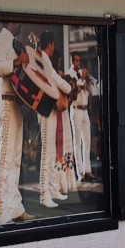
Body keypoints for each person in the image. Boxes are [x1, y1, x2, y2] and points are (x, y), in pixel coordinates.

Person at [0, 21, 31, 224]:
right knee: (6, 158)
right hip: (6, 102)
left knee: (15, 158)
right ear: (12, 22)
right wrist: (17, 61)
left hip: (17, 103)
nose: (21, 23)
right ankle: (1, 212)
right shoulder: (0, 39)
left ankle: (15, 207)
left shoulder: (14, 43)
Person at [30, 31, 75, 208]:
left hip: (50, 107)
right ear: (49, 45)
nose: (54, 48)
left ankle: (53, 189)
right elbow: (54, 78)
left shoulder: (43, 59)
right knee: (47, 153)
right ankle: (44, 194)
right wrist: (69, 88)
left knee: (52, 152)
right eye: (53, 44)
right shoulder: (43, 59)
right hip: (46, 108)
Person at [68, 52, 93, 188]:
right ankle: (80, 173)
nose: (78, 63)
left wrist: (87, 80)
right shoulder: (69, 75)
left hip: (85, 110)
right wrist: (81, 78)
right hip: (76, 110)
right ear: (72, 61)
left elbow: (89, 91)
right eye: (76, 61)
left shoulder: (82, 74)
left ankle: (87, 170)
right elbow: (72, 91)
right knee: (77, 143)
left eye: (79, 61)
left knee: (87, 142)